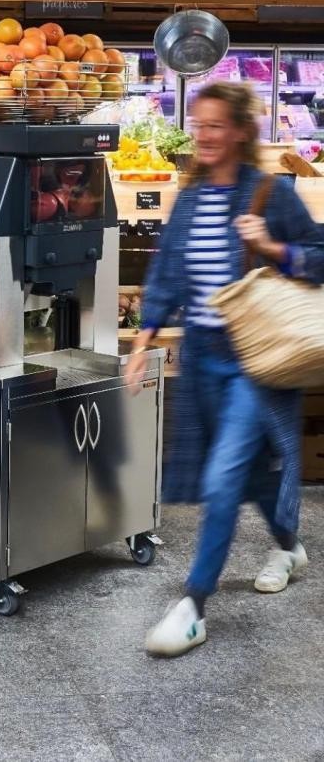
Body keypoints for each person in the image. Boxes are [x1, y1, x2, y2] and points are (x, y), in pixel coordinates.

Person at [124, 82, 324, 657]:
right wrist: (143, 344)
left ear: (239, 130)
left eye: (214, 125)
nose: (203, 135)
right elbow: (166, 277)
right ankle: (287, 541)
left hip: (254, 359)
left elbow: (318, 257)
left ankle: (193, 605)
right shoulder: (188, 199)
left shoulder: (272, 193)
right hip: (202, 359)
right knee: (250, 471)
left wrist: (275, 247)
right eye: (198, 124)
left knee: (222, 478)